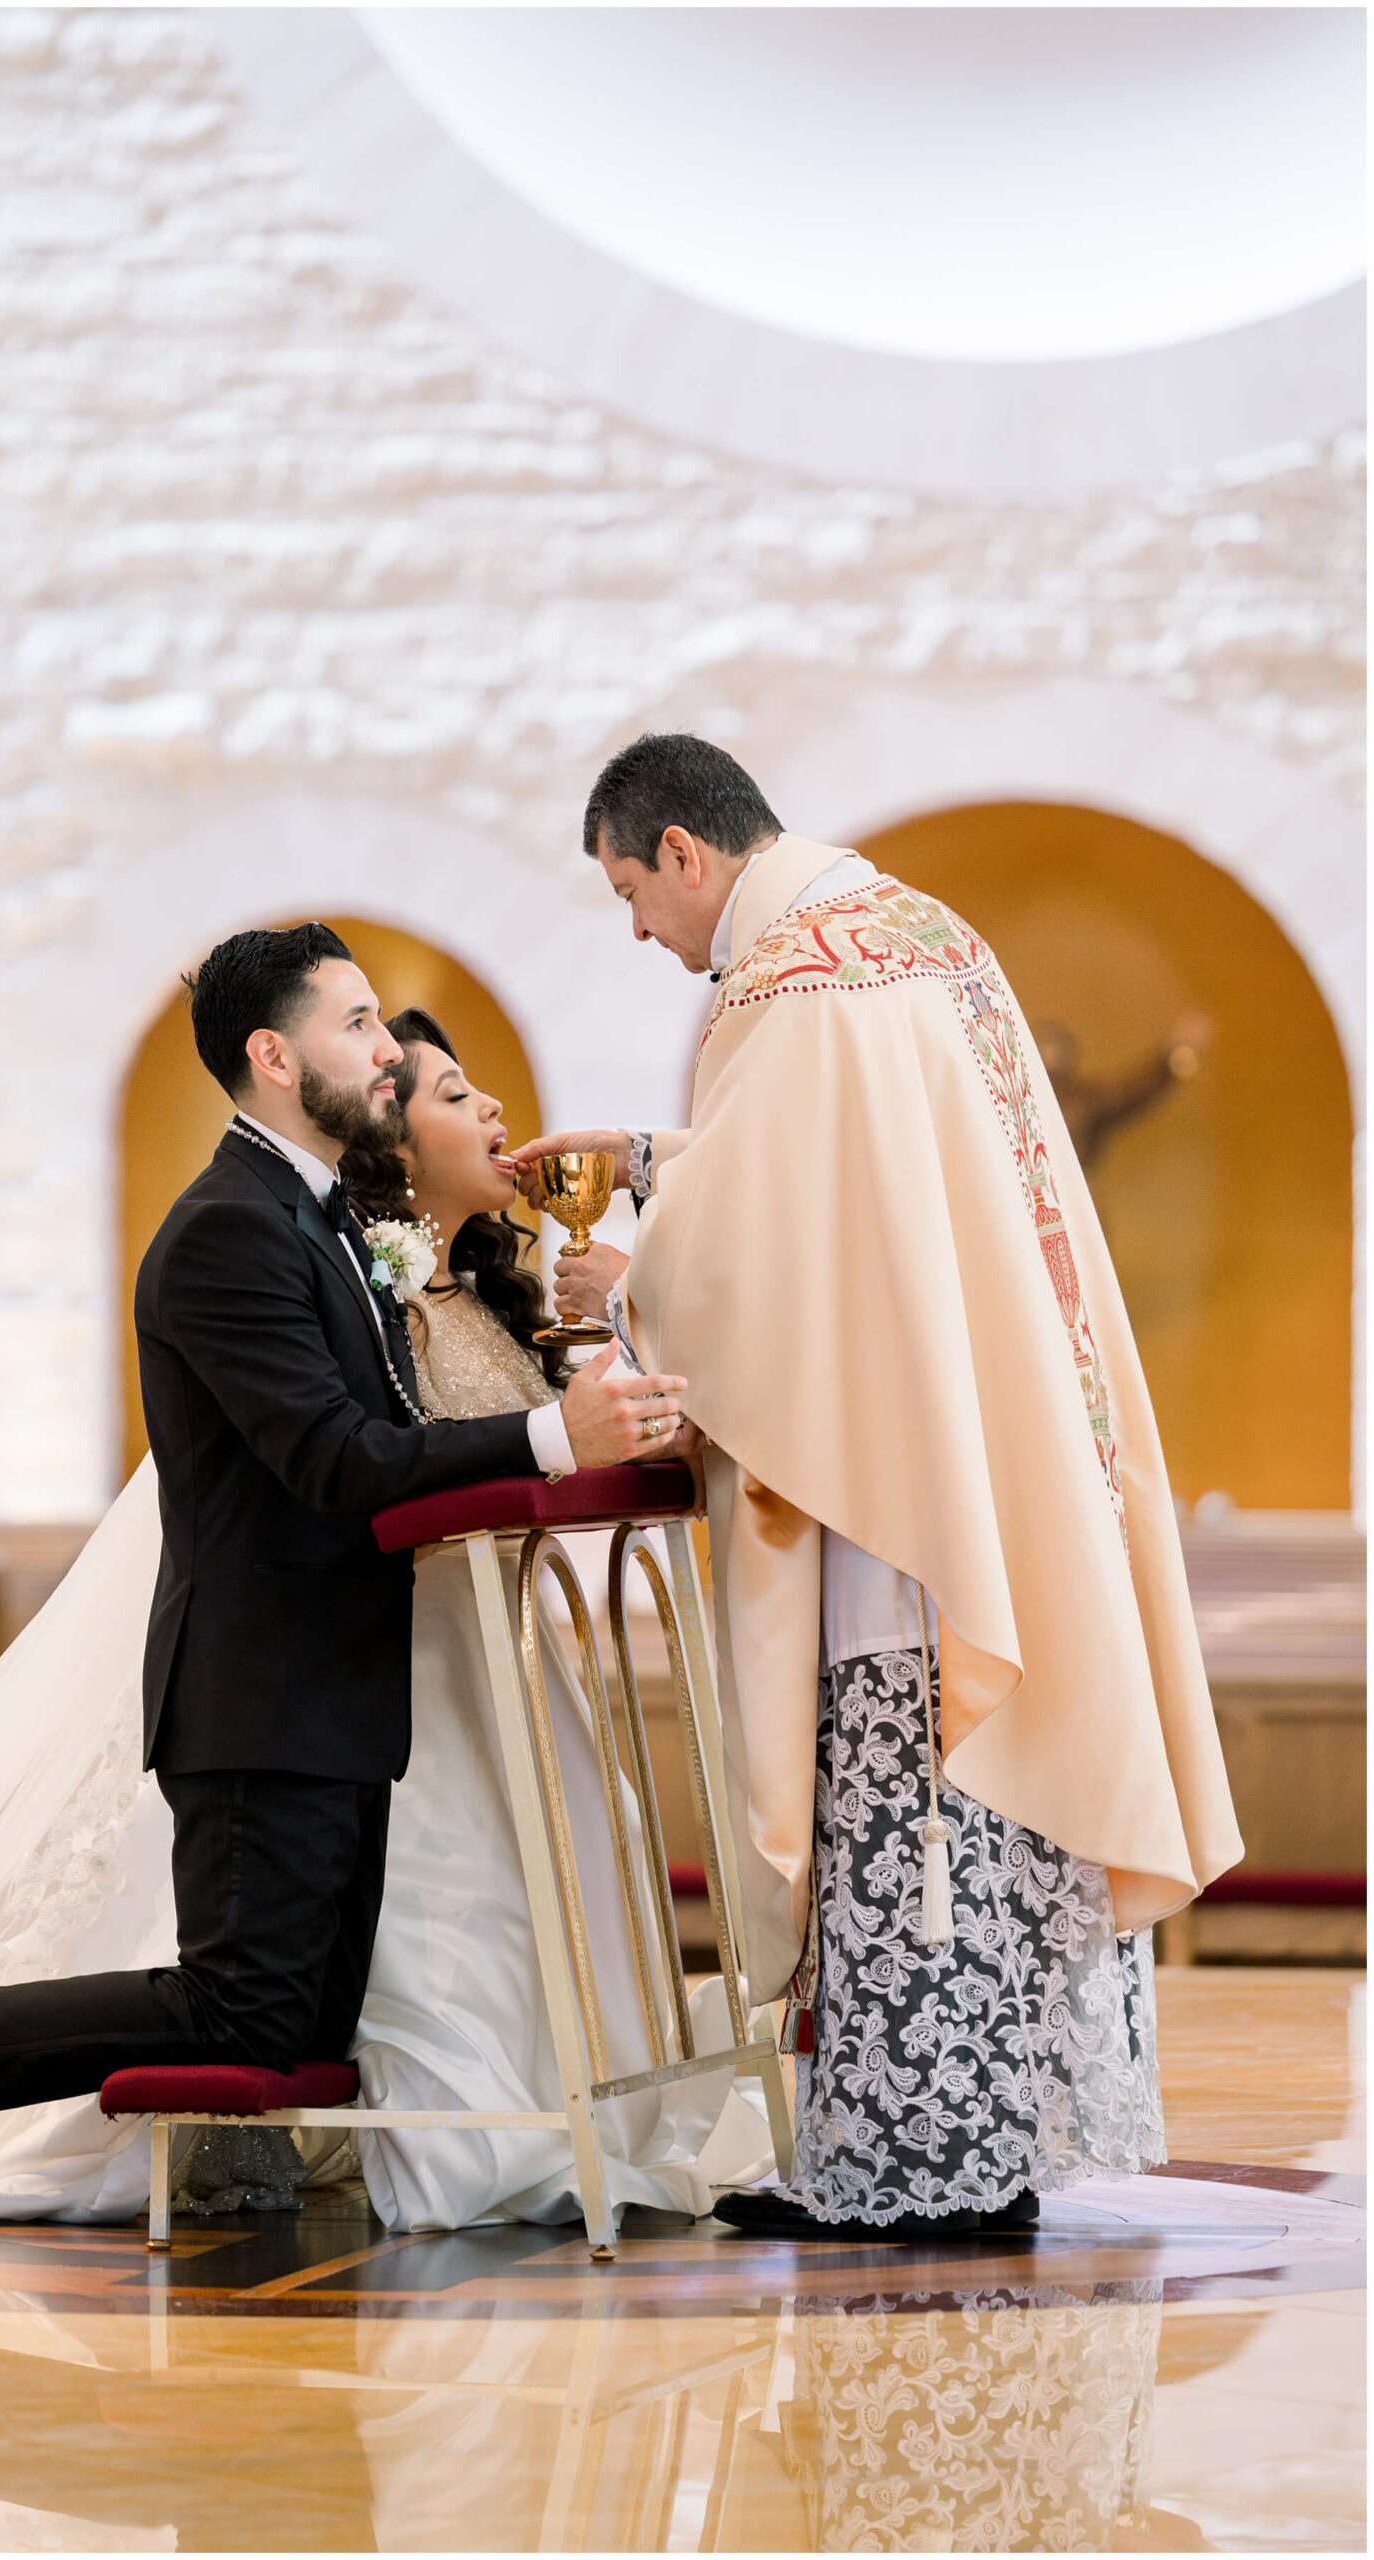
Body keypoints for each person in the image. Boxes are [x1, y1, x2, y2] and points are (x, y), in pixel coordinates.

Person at [0, 969, 763, 2236]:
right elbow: (335, 1460)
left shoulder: (316, 1225)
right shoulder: (226, 1230)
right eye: (355, 1026)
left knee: (291, 2026)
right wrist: (545, 1432)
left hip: (343, 1691)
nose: (384, 1052)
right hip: (263, 1690)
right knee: (245, 2010)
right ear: (275, 1056)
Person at [513, 732, 1243, 2241]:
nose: (635, 930)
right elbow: (849, 1195)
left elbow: (769, 1262)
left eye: (627, 890)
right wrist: (659, 1157)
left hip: (893, 1504)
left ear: (685, 854)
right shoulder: (904, 936)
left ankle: (918, 2174)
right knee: (959, 1831)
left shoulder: (785, 985)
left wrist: (625, 1274)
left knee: (908, 1824)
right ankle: (969, 2149)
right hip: (980, 1445)